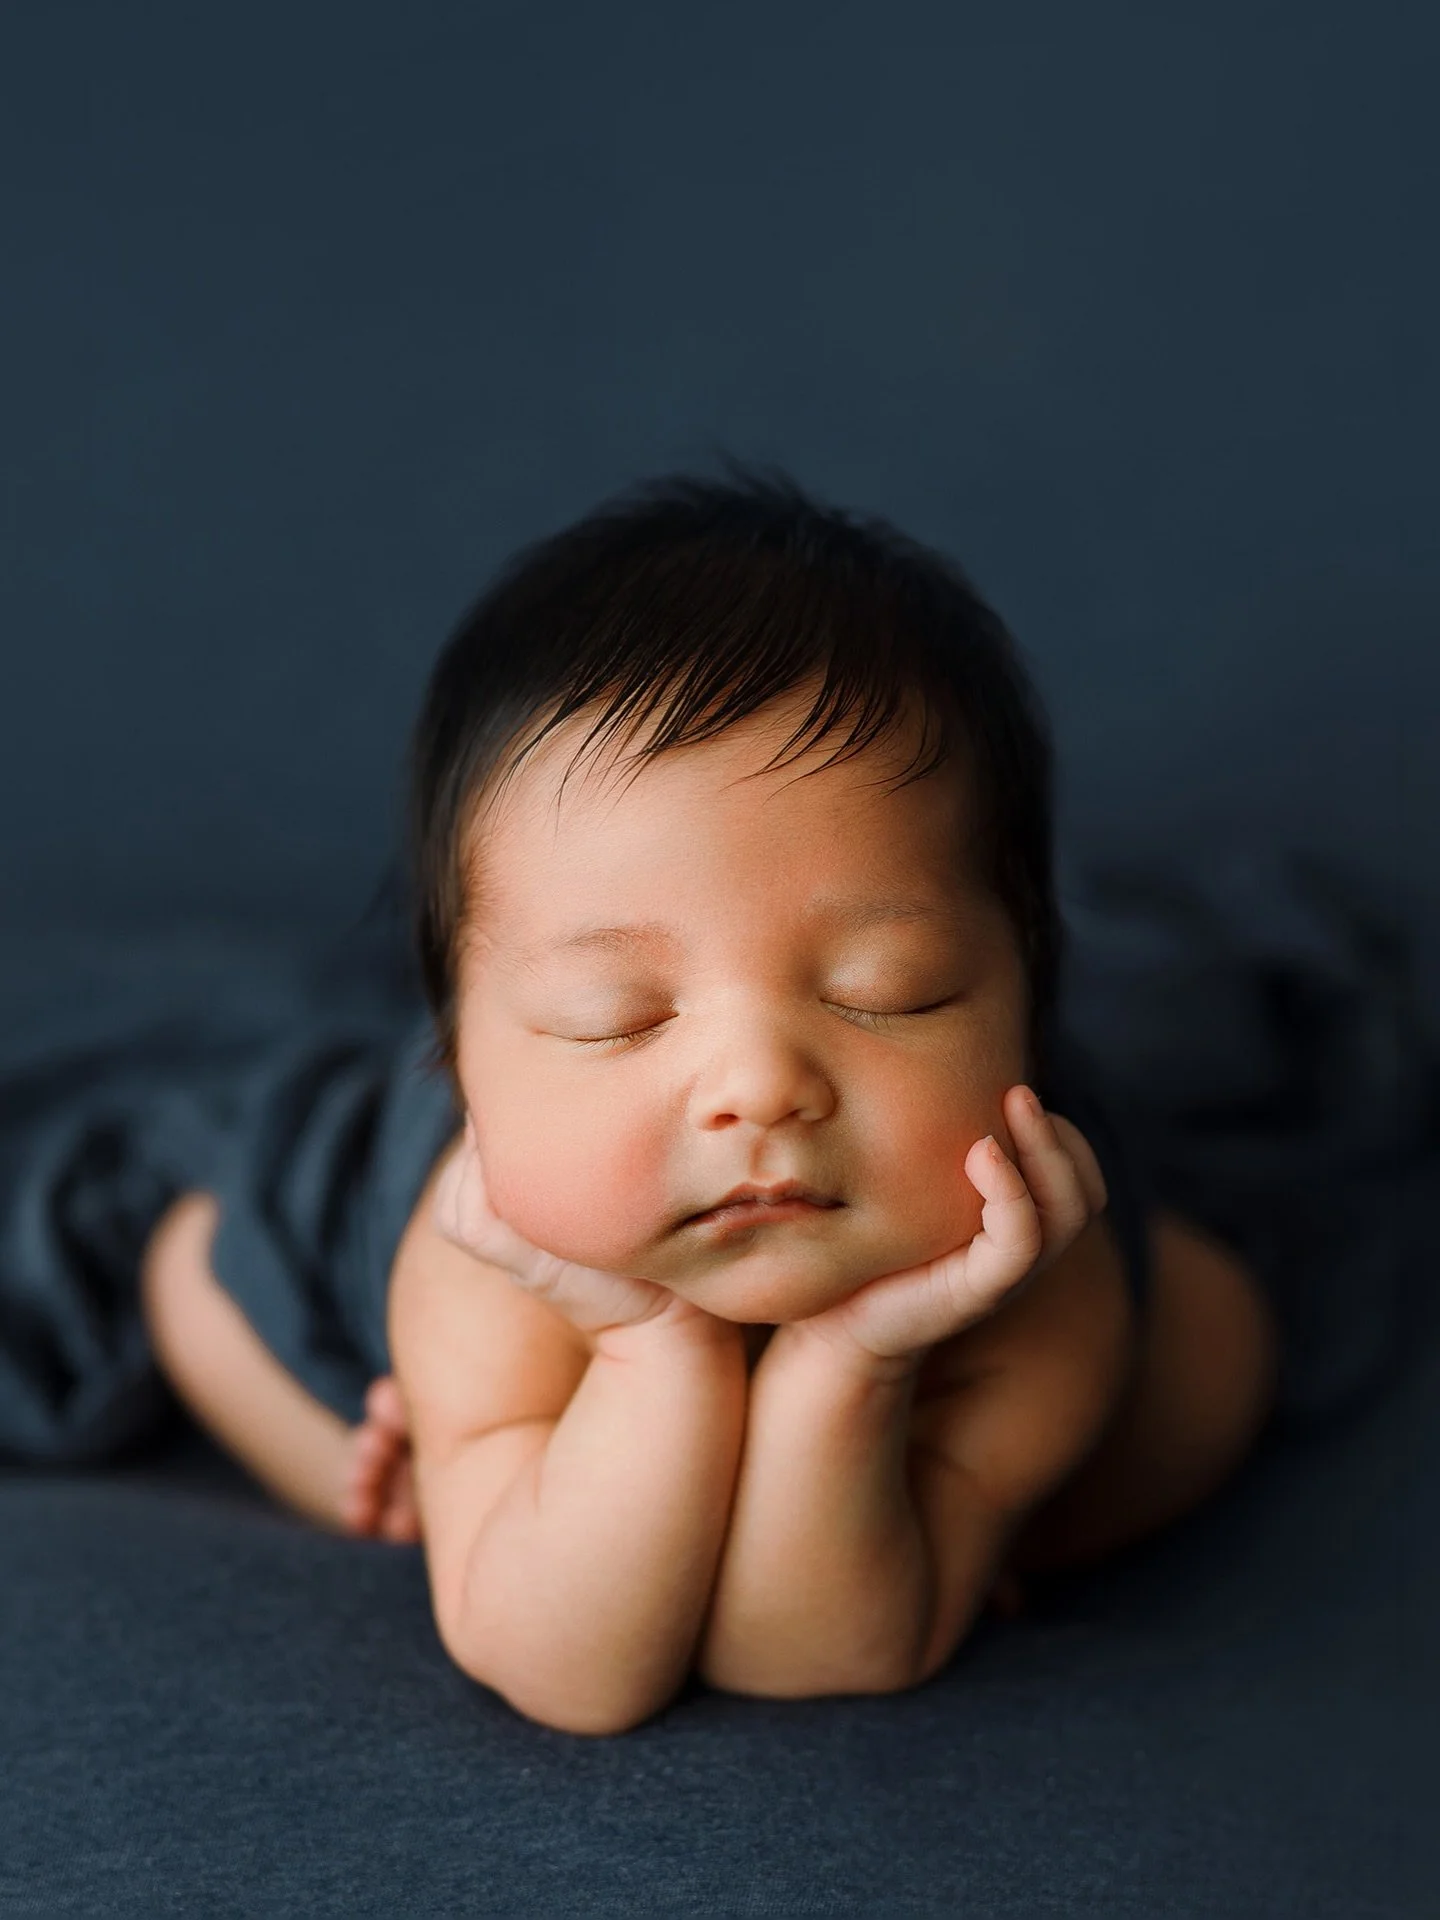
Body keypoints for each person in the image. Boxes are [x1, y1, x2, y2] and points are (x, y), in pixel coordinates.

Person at [138, 467, 1279, 1735]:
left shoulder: (1034, 1287)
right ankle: (457, 1497)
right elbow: (573, 1677)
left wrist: (862, 1354)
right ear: (465, 1061)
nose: (758, 1088)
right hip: (510, 1280)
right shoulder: (482, 1264)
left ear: (1025, 1002)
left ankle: (944, 1514)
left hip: (953, 1349)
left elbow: (807, 1655)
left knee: (1211, 1350)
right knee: (195, 1275)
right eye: (610, 1018)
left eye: (886, 991)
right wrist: (643, 1344)